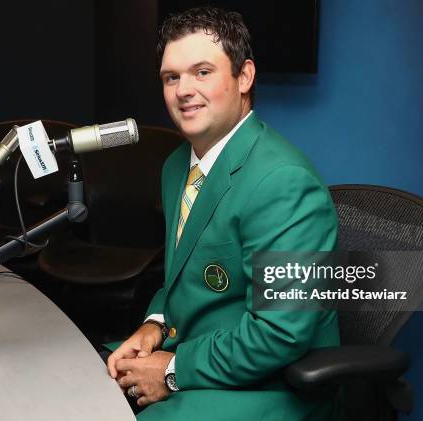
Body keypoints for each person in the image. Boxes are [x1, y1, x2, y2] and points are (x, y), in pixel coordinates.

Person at [104, 7, 340, 420]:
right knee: (77, 386)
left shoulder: (283, 182)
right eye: (171, 77)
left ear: (244, 77)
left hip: (270, 384)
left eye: (202, 72)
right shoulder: (177, 165)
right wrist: (154, 326)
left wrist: (173, 370)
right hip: (198, 351)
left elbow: (280, 334)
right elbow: (183, 280)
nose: (183, 90)